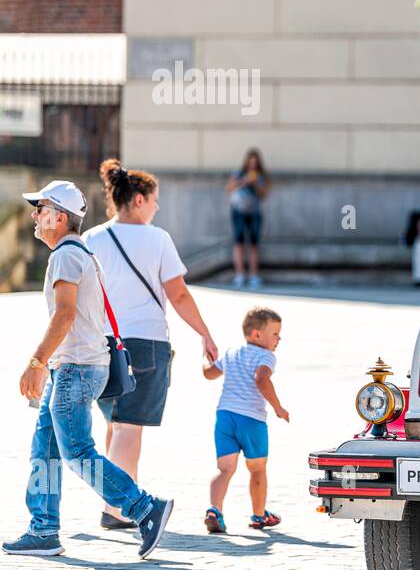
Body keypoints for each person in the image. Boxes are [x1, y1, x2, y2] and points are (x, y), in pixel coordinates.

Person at [4, 180, 173, 559]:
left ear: (59, 217)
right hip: (75, 367)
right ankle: (43, 529)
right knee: (44, 448)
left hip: (74, 370)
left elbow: (65, 314)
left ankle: (144, 509)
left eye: (41, 208)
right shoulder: (81, 251)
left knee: (78, 451)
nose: (34, 215)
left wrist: (36, 362)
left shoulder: (65, 255)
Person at [84, 159, 220, 530]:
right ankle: (118, 509)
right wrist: (205, 333)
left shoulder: (92, 238)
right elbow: (178, 295)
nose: (157, 207)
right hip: (144, 344)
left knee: (114, 425)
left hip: (100, 343)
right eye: (155, 200)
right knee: (129, 427)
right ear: (139, 199)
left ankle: (113, 503)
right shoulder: (158, 239)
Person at [202, 307, 289, 533]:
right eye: (275, 334)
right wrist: (278, 407)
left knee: (224, 469)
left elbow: (209, 373)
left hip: (224, 417)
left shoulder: (232, 352)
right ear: (257, 335)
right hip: (251, 420)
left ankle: (214, 510)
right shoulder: (266, 356)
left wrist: (206, 357)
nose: (279, 339)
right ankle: (259, 516)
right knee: (257, 469)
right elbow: (261, 378)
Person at [226, 148, 270, 289]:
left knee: (254, 244)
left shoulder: (261, 176)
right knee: (238, 242)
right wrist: (244, 181)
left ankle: (253, 275)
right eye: (250, 162)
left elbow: (263, 195)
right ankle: (239, 274)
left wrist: (256, 183)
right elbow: (229, 187)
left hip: (255, 211)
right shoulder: (239, 174)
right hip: (238, 210)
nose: (252, 165)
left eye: (255, 163)